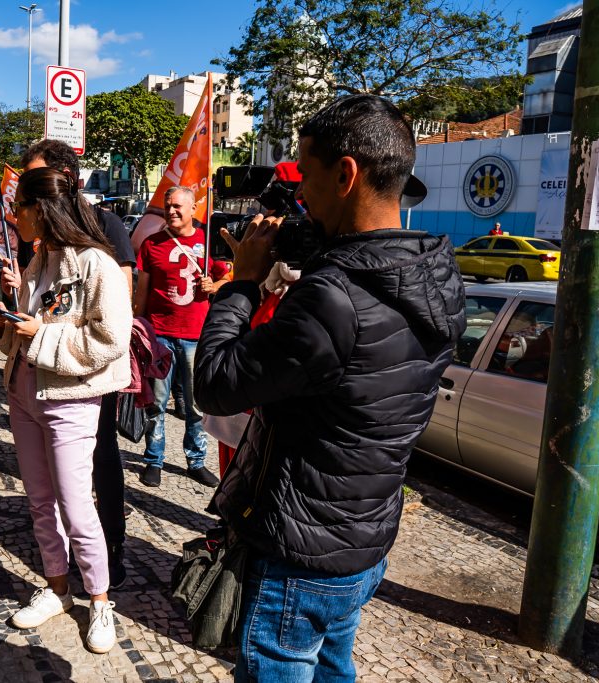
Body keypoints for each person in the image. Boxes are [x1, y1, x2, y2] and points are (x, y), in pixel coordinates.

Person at [194, 94, 466, 682]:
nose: (302, 200)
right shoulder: (434, 273)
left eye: (307, 179)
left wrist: (240, 284)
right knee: (334, 670)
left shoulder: (333, 297)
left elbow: (216, 384)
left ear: (345, 174)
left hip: (301, 552)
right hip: (362, 537)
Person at [0, 167, 132, 654]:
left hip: (71, 398)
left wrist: (39, 335)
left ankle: (100, 599)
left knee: (75, 505)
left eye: (18, 209)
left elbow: (111, 339)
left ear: (40, 210)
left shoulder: (96, 264)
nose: (12, 217)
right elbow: (27, 327)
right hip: (24, 393)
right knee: (39, 500)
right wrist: (5, 324)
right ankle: (57, 587)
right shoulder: (37, 261)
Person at [133, 185, 225, 489]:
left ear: (192, 208)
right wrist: (137, 328)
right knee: (157, 403)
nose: (171, 211)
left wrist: (217, 285)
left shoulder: (208, 242)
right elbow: (142, 291)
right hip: (159, 334)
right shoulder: (151, 244)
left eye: (177, 206)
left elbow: (230, 276)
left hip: (196, 336)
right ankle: (153, 460)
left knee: (196, 405)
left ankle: (196, 461)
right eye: (168, 206)